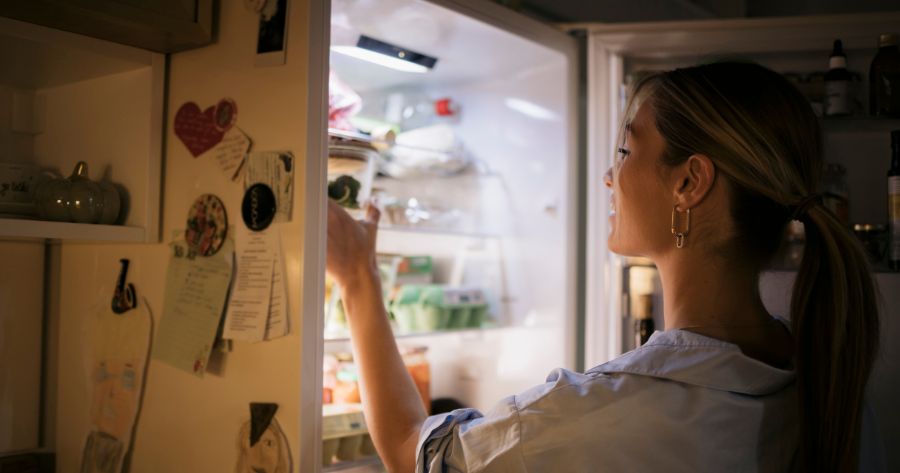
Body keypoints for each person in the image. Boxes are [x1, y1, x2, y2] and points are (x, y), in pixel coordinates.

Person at [325, 62, 882, 472]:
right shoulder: (820, 370)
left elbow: (411, 452)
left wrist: (358, 279)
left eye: (626, 151)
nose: (610, 177)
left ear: (689, 182)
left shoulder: (597, 416)